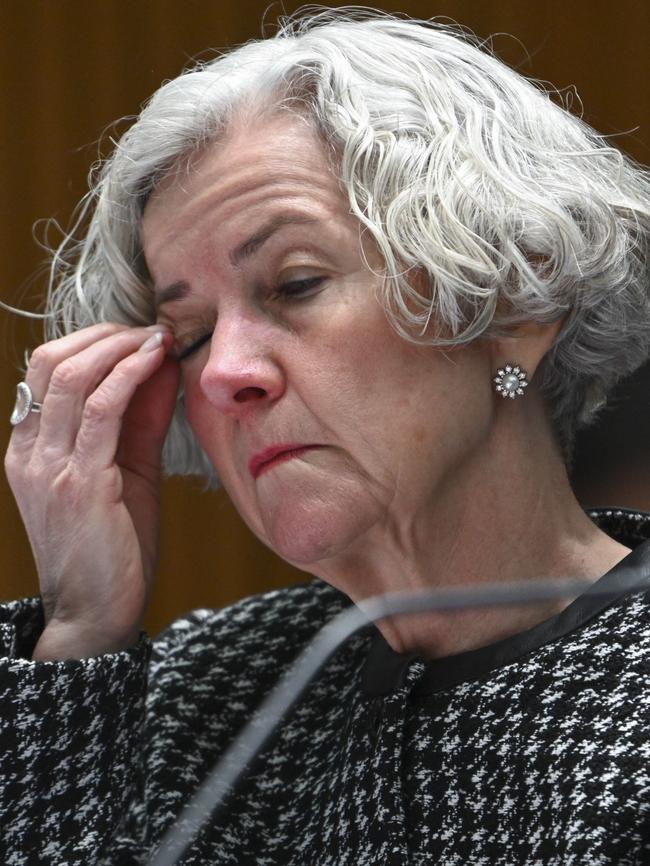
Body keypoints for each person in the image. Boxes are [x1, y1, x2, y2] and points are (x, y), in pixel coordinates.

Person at [2, 6, 650, 864]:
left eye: (296, 283)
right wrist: (83, 631)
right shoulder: (184, 699)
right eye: (188, 337)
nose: (226, 371)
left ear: (515, 300)